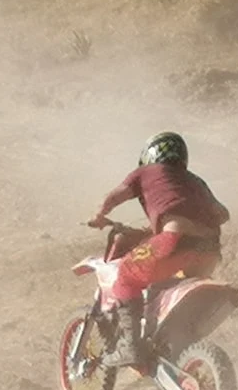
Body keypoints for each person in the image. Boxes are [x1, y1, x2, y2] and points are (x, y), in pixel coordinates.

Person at [88, 131, 229, 368]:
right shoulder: (195, 180)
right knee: (164, 282)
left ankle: (130, 348)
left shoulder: (145, 173)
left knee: (125, 278)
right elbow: (223, 214)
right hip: (209, 250)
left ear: (149, 155)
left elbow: (115, 196)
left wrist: (100, 216)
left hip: (175, 241)